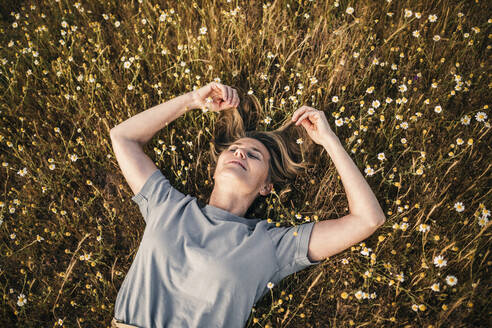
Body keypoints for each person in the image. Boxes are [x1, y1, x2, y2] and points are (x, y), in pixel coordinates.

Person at [109, 82, 386, 327]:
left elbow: (367, 219)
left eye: (254, 156)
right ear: (214, 170)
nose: (239, 151)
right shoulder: (167, 205)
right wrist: (193, 100)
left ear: (266, 187)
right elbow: (122, 137)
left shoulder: (270, 244)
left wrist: (329, 141)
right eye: (232, 149)